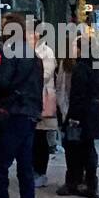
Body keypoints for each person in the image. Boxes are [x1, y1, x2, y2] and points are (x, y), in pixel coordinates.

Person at [0, 12, 42, 198]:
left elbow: (3, 82)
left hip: (12, 113)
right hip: (29, 115)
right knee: (25, 170)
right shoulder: (34, 55)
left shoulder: (12, 51)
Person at [57, 38, 99, 198]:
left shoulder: (80, 68)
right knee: (88, 149)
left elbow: (77, 95)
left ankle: (73, 181)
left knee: (73, 148)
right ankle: (90, 183)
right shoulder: (97, 66)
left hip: (80, 115)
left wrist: (72, 117)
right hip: (93, 113)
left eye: (74, 46)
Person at [32, 35, 57, 188]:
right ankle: (34, 170)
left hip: (44, 98)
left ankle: (40, 172)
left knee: (40, 137)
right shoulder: (27, 51)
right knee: (34, 137)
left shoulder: (46, 52)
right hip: (34, 98)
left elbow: (46, 75)